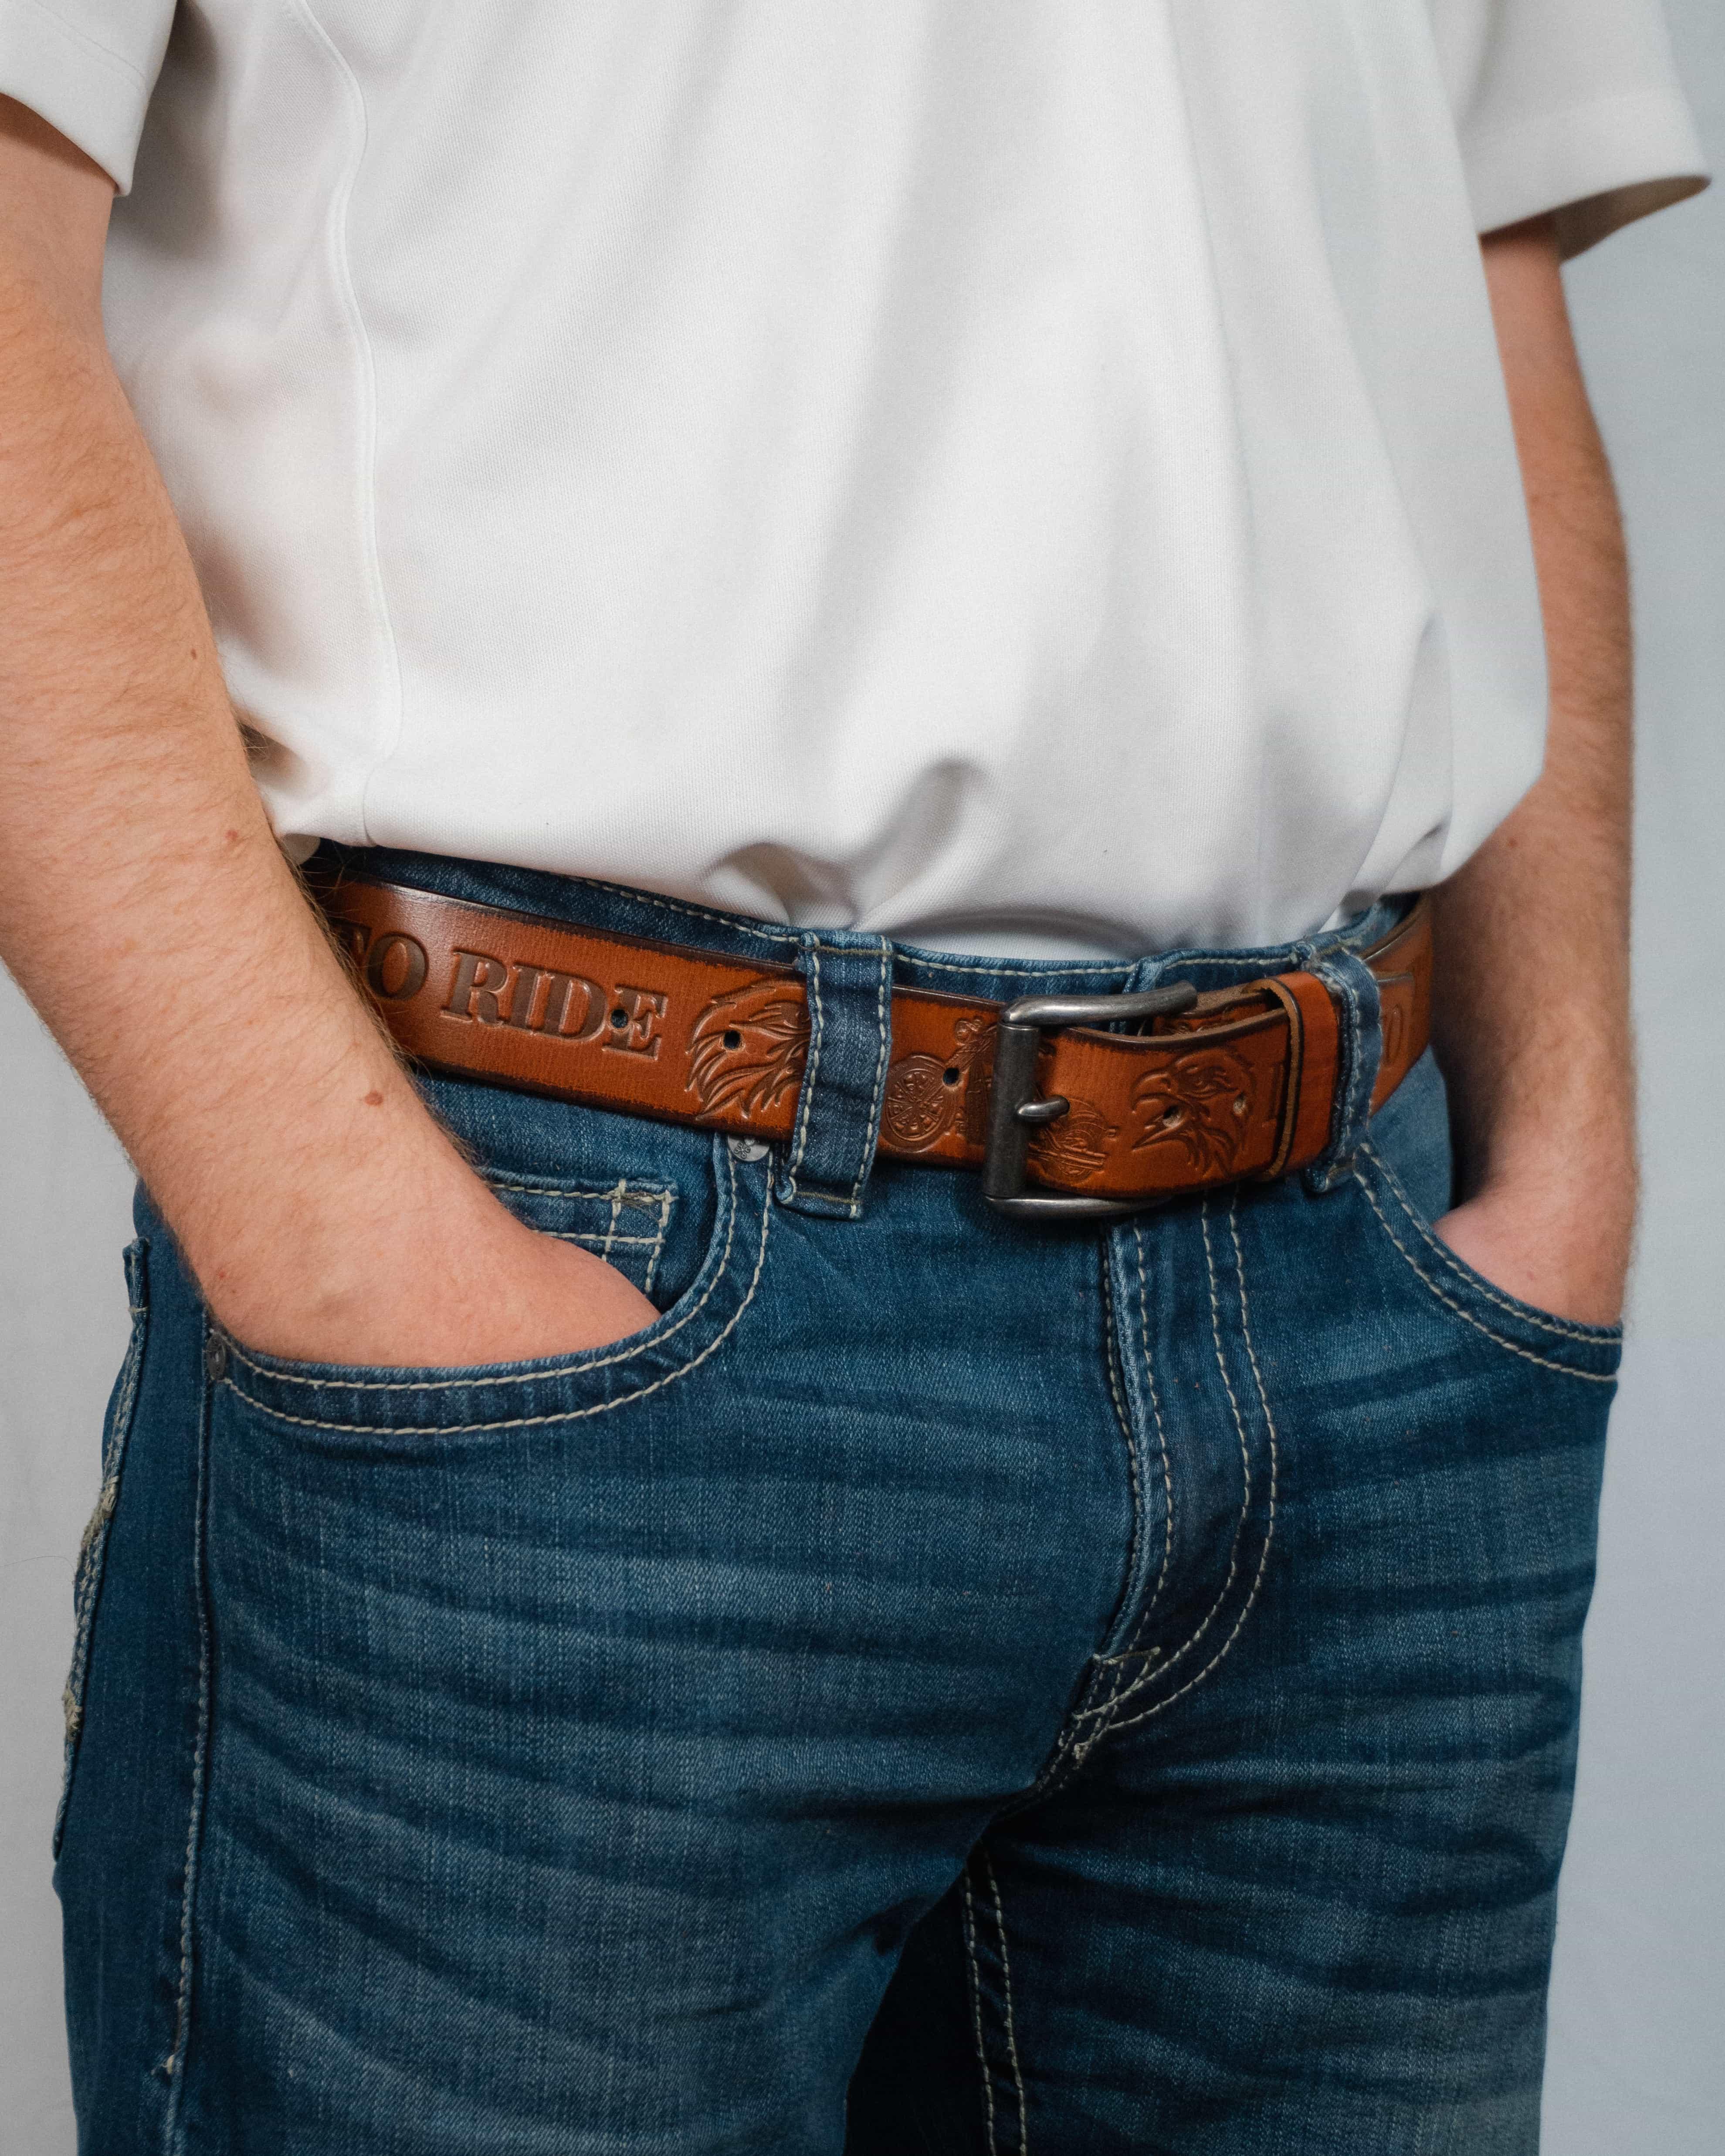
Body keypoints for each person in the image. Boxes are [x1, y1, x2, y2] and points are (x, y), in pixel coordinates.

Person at [0, 3, 1708, 2149]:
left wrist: (1564, 1166)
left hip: (1357, 1313)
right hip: (577, 1294)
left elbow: (1486, 259)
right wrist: (355, 1256)